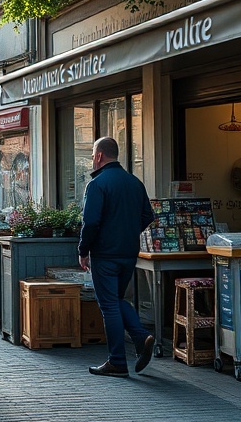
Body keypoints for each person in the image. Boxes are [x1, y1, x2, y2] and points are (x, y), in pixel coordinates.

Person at [78, 136, 156, 378]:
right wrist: (128, 232)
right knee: (116, 299)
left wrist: (83, 250)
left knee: (109, 304)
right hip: (128, 253)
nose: (92, 159)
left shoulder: (98, 184)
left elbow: (90, 222)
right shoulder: (134, 182)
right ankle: (141, 337)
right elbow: (147, 215)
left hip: (105, 253)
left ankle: (117, 361)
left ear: (100, 156)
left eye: (92, 154)